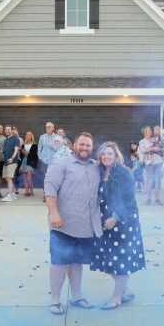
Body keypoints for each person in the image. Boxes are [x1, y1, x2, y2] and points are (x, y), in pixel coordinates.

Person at [44, 132, 102, 315]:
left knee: (77, 262)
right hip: (63, 224)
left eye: (88, 145)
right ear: (74, 145)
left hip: (85, 226)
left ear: (92, 148)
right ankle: (55, 300)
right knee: (59, 262)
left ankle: (76, 296)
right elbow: (49, 188)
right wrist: (54, 213)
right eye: (81, 144)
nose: (84, 148)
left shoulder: (96, 166)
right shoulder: (60, 164)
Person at [90, 141, 145, 310]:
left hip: (124, 222)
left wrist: (115, 218)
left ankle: (116, 297)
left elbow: (129, 199)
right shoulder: (100, 172)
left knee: (120, 260)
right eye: (103, 153)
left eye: (110, 153)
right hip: (105, 222)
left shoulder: (123, 173)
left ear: (116, 156)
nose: (106, 156)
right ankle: (126, 291)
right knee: (107, 261)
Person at [138, 126, 163, 206]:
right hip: (149, 163)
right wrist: (153, 149)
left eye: (151, 130)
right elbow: (142, 150)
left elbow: (161, 146)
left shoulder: (155, 139)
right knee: (150, 180)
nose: (151, 131)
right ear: (145, 132)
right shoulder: (142, 141)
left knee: (157, 180)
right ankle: (148, 199)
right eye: (149, 130)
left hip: (158, 161)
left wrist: (157, 148)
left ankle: (157, 199)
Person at [0, 125, 21, 202]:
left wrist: (12, 158)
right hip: (6, 162)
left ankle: (9, 196)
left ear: (11, 130)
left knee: (9, 178)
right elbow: (5, 150)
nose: (7, 131)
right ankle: (13, 194)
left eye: (8, 129)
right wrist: (2, 151)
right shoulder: (5, 140)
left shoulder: (16, 139)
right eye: (6, 129)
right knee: (7, 178)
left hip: (12, 161)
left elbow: (16, 150)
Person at [37, 122, 57, 200]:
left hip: (54, 161)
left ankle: (53, 194)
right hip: (44, 161)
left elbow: (59, 149)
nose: (48, 128)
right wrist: (40, 157)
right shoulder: (42, 137)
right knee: (44, 178)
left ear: (53, 128)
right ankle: (46, 194)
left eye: (49, 127)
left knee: (53, 178)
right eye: (46, 127)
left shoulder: (57, 137)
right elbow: (39, 149)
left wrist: (53, 147)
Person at [19, 131, 38, 197]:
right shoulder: (23, 145)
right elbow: (21, 155)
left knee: (29, 178)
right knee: (24, 179)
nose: (28, 136)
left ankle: (31, 192)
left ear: (31, 136)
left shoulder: (35, 145)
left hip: (30, 163)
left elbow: (35, 155)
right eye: (27, 134)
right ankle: (27, 192)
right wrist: (22, 152)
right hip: (24, 162)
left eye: (29, 134)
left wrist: (28, 153)